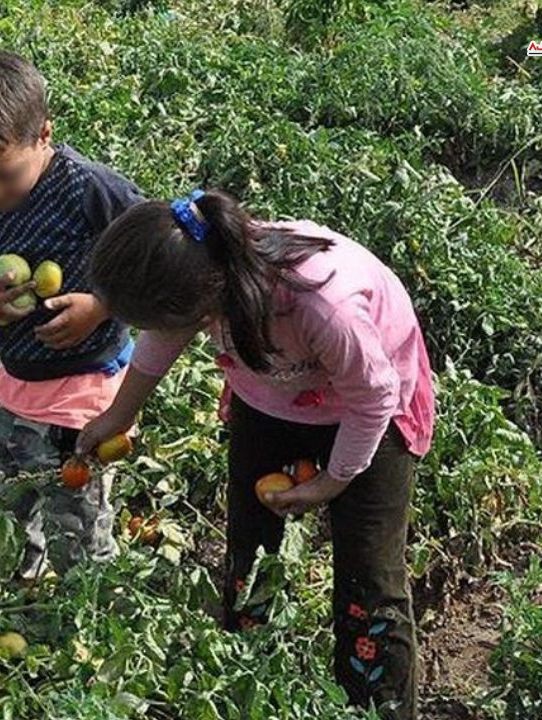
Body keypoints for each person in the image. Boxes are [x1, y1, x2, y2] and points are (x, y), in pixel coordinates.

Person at [76, 188, 435, 720]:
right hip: (271, 401)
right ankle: (247, 679)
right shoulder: (203, 272)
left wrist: (333, 480)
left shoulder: (319, 303)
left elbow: (374, 396)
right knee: (250, 551)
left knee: (369, 585)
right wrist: (118, 416)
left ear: (203, 301)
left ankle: (377, 708)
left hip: (368, 415)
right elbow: (160, 342)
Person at [0, 49, 144, 579]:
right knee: (7, 506)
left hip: (84, 395)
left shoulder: (89, 191)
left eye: (4, 176)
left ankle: (83, 617)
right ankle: (21, 589)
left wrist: (102, 306)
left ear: (43, 133)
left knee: (77, 521)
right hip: (14, 388)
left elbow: (159, 260)